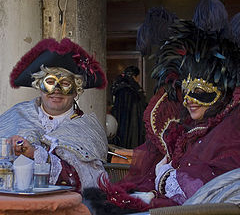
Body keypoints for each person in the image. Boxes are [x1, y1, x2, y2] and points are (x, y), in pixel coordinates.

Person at [83, 14, 240, 214]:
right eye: (186, 91)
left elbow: (208, 193)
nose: (188, 100)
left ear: (222, 94)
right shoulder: (189, 131)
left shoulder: (229, 133)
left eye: (200, 92)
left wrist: (166, 177)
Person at [0, 37, 108, 192]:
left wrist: (36, 154)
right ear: (39, 86)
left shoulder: (87, 129)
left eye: (65, 84)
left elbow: (92, 180)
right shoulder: (17, 115)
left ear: (76, 90)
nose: (56, 90)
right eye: (50, 82)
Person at [110, 65, 147, 149]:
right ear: (134, 76)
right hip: (133, 131)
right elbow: (138, 112)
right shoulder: (134, 91)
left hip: (120, 129)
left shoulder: (120, 89)